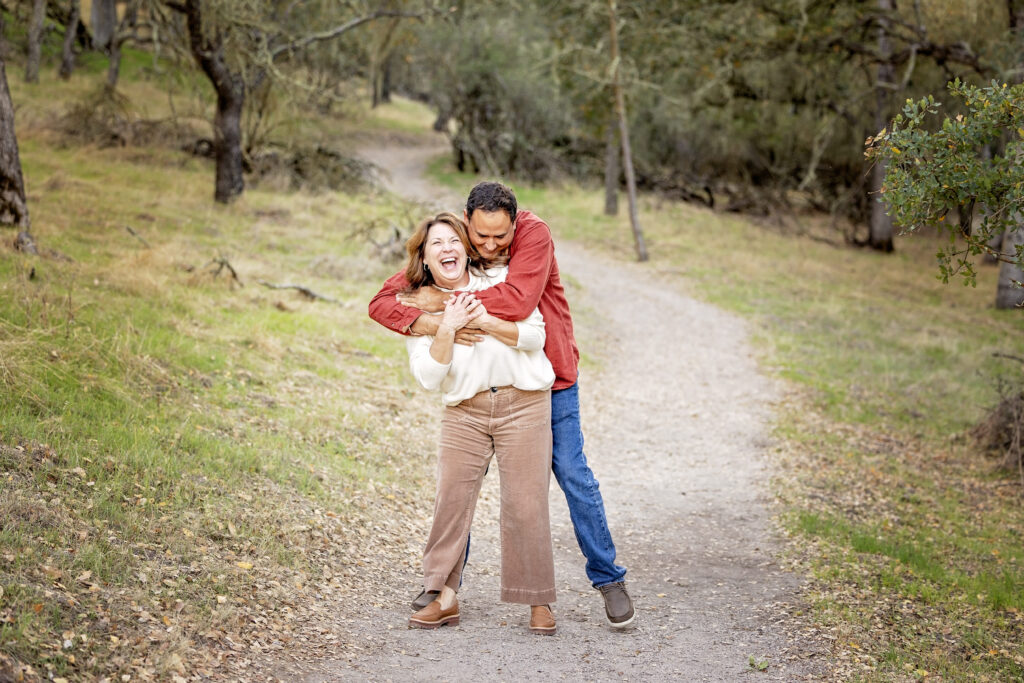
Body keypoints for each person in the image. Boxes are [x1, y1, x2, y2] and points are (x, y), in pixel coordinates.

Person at [368, 182, 635, 628]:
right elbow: (384, 300)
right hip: (482, 395)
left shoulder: (533, 236)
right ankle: (444, 588)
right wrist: (431, 322)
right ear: (467, 222)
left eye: (500, 237)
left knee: (568, 475)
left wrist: (448, 303)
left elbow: (519, 302)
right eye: (481, 236)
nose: (491, 245)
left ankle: (609, 579)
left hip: (551, 379)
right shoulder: (455, 243)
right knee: (460, 485)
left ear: (514, 224)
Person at [398, 211, 558, 635]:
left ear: (465, 248)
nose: (447, 249)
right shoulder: (420, 306)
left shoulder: (499, 281)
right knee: (450, 500)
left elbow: (535, 336)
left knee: (527, 503)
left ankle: (537, 599)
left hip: (523, 403)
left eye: (453, 240)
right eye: (436, 244)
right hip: (464, 411)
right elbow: (429, 378)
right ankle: (442, 594)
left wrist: (483, 319)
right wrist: (446, 327)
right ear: (426, 260)